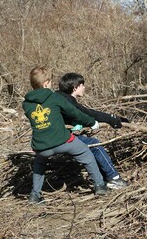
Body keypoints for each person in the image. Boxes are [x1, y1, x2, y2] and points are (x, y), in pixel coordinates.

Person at [22, 67, 108, 204]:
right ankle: (99, 185)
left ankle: (35, 195)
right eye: (50, 82)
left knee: (39, 164)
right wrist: (92, 122)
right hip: (63, 141)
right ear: (46, 83)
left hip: (41, 146)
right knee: (86, 154)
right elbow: (74, 113)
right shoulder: (54, 97)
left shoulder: (26, 104)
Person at [57, 72, 129, 190]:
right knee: (95, 145)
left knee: (90, 144)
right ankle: (114, 178)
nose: (84, 87)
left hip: (60, 136)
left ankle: (104, 177)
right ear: (75, 87)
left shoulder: (61, 98)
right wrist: (113, 119)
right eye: (82, 85)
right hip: (63, 139)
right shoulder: (67, 101)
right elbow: (87, 113)